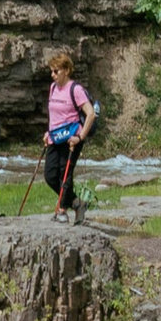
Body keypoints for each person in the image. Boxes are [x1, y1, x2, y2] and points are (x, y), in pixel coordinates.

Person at [41, 47, 94, 216]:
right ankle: (76, 203)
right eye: (51, 71)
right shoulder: (53, 88)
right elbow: (54, 114)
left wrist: (80, 137)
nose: (53, 75)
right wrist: (48, 132)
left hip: (71, 138)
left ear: (66, 70)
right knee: (50, 175)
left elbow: (90, 113)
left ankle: (62, 210)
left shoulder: (75, 89)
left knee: (65, 174)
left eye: (56, 71)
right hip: (55, 137)